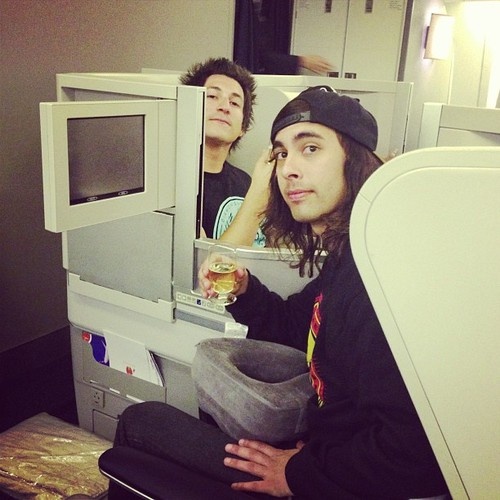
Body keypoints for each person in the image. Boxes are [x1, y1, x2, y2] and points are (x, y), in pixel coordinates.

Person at [110, 87, 449, 499]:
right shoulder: (351, 258)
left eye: (310, 148)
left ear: (357, 162)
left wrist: (299, 473)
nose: (288, 169)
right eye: (282, 153)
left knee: (140, 422)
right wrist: (244, 289)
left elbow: (417, 452)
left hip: (329, 482)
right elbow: (296, 324)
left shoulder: (379, 286)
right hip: (325, 458)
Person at [180, 57, 267, 246]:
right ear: (187, 107)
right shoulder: (174, 187)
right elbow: (206, 266)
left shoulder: (245, 182)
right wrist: (257, 198)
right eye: (212, 96)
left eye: (235, 103)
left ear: (243, 128)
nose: (224, 107)